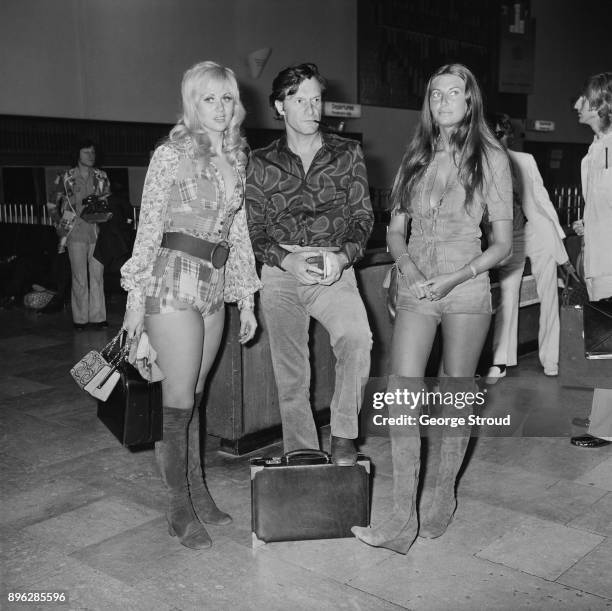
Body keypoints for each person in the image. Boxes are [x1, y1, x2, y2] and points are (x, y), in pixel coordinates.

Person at [351, 64, 513, 554]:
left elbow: (502, 244)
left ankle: (442, 497)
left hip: (467, 286)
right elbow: (395, 231)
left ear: (470, 101)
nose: (442, 100)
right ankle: (402, 517)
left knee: (457, 397)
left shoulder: (492, 157)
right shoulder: (415, 156)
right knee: (402, 395)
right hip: (416, 285)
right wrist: (412, 271)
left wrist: (455, 276)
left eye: (453, 92)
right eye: (435, 92)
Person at [121, 61, 261, 549]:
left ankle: (197, 491)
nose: (221, 108)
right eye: (209, 99)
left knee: (196, 394)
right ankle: (178, 508)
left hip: (216, 283)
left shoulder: (238, 157)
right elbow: (148, 229)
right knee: (176, 400)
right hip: (172, 278)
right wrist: (135, 305)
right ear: (192, 103)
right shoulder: (170, 154)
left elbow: (237, 233)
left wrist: (245, 298)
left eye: (227, 98)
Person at [245, 62, 373, 466]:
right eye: (299, 100)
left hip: (333, 263)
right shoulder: (261, 162)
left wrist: (340, 257)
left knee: (357, 339)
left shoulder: (347, 153)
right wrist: (287, 259)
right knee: (291, 371)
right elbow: (254, 229)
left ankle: (344, 436)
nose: (311, 108)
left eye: (316, 99)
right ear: (280, 107)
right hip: (281, 270)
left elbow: (363, 219)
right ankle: (301, 451)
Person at [486, 113, 570, 381]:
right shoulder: (480, 164)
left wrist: (557, 238)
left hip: (536, 231)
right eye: (494, 134)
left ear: (508, 135)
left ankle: (551, 358)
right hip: (508, 235)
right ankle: (500, 361)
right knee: (508, 294)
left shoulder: (524, 160)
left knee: (550, 295)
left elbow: (541, 201)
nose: (499, 139)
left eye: (502, 134)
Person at [570, 72, 612, 449]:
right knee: (604, 344)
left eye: (583, 98)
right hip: (600, 258)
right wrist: (589, 222)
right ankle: (604, 418)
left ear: (600, 103)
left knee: (607, 343)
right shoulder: (596, 150)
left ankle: (604, 425)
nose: (576, 105)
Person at [50, 140, 110, 330]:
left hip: (97, 231)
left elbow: (107, 201)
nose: (91, 155)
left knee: (97, 276)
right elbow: (52, 205)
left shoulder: (101, 176)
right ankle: (80, 320)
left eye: (93, 152)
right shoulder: (65, 177)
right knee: (79, 277)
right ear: (77, 154)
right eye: (86, 152)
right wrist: (59, 223)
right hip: (74, 230)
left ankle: (98, 317)